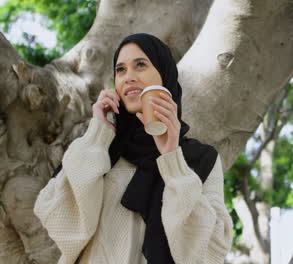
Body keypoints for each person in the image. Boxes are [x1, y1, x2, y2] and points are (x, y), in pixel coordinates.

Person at [33, 33, 233, 264]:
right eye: (120, 70)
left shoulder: (200, 160)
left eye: (140, 65)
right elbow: (60, 223)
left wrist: (172, 159)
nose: (128, 77)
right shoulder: (101, 148)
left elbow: (211, 252)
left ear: (164, 74)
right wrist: (98, 134)